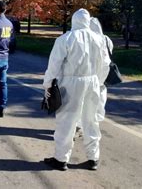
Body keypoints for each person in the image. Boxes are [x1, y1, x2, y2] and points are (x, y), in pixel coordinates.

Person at [43, 9, 111, 171]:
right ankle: (93, 157)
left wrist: (48, 85)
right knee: (91, 120)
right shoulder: (99, 39)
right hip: (93, 82)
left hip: (71, 82)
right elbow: (105, 64)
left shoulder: (65, 39)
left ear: (73, 21)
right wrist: (99, 82)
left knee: (67, 121)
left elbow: (54, 66)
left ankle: (61, 159)